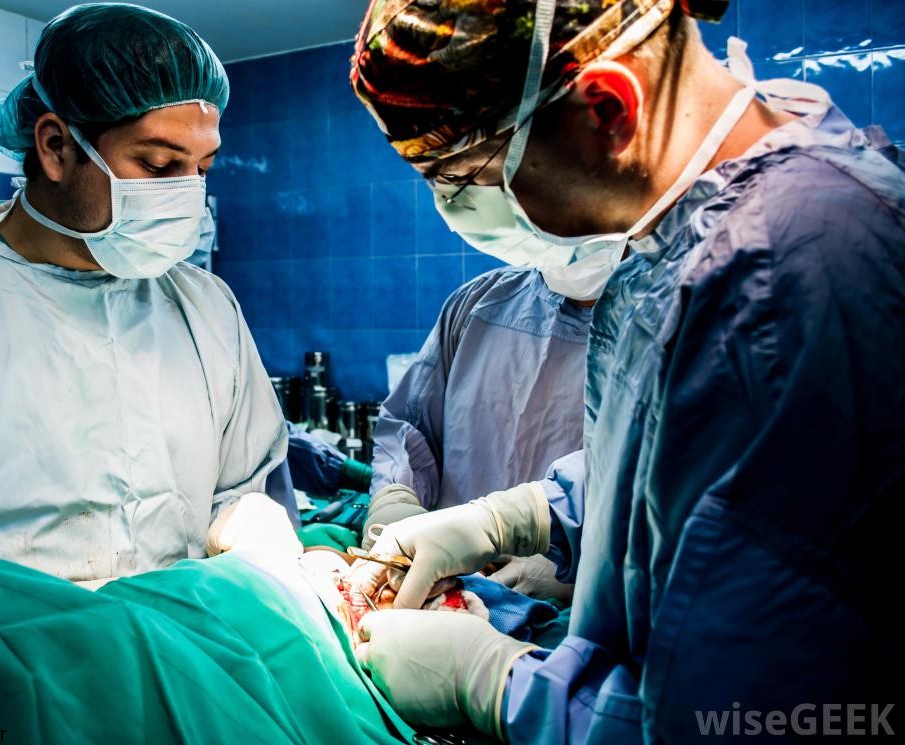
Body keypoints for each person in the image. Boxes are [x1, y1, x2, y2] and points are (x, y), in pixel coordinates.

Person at [347, 0, 904, 742]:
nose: (455, 210)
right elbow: (687, 470)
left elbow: (736, 721)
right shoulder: (686, 247)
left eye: (463, 177)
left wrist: (494, 682)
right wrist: (523, 516)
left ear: (609, 107)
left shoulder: (784, 277)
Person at [0, 4, 290, 581]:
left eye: (202, 168)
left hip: (176, 631)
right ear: (56, 147)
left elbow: (240, 487)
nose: (187, 194)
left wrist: (247, 522)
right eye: (158, 165)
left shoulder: (206, 308)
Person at [365, 265, 590, 602]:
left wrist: (580, 562)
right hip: (443, 583)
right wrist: (395, 499)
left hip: (579, 602)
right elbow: (411, 426)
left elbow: (645, 471)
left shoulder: (661, 323)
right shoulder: (478, 303)